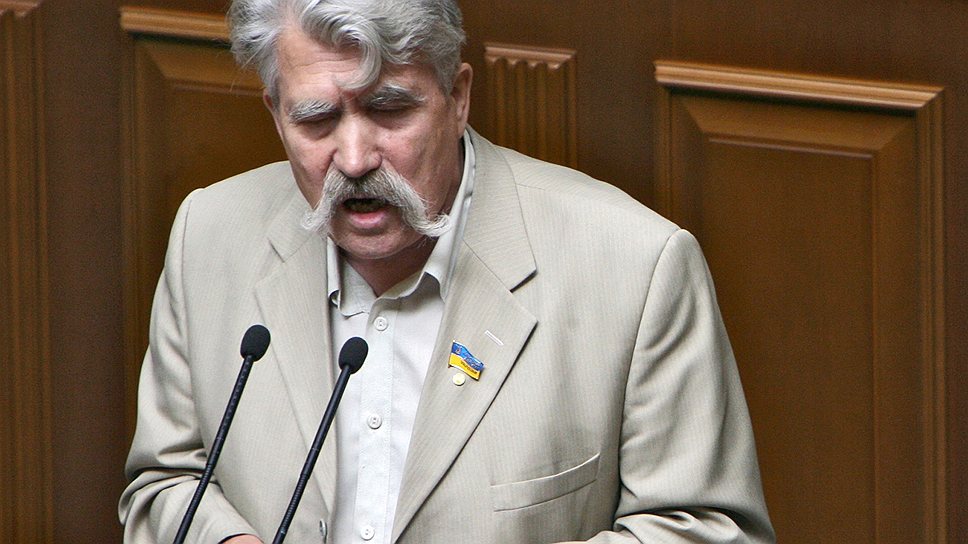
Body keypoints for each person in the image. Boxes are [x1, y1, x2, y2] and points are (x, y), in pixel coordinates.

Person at [119, 1, 775, 542]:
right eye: (317, 119)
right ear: (275, 113)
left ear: (458, 97)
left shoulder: (637, 266)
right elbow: (163, 484)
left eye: (389, 110)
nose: (354, 158)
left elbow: (707, 529)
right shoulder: (208, 236)